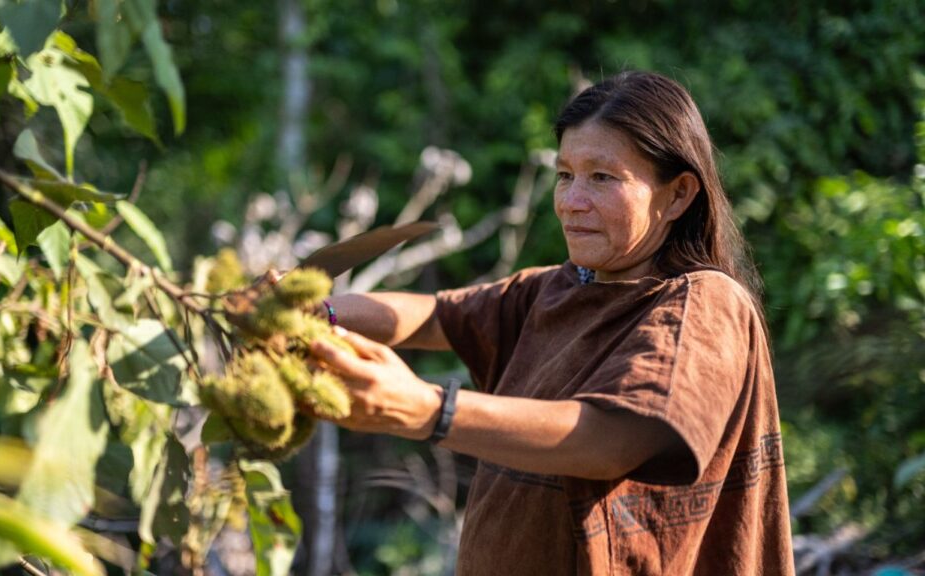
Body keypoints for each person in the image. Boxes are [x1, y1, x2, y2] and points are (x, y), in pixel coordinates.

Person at [308, 71, 795, 575]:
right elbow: (436, 314)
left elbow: (610, 441)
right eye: (565, 176)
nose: (571, 201)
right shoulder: (556, 289)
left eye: (602, 178)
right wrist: (315, 313)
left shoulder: (705, 302)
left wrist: (426, 410)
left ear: (677, 195)